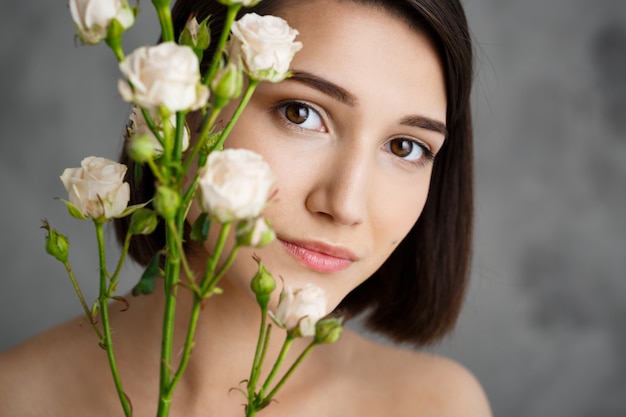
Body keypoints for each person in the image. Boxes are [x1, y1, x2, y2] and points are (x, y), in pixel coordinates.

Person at [0, 0, 492, 415]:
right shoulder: (17, 397)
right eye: (301, 113)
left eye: (406, 147)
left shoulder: (438, 405)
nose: (345, 205)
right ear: (178, 111)